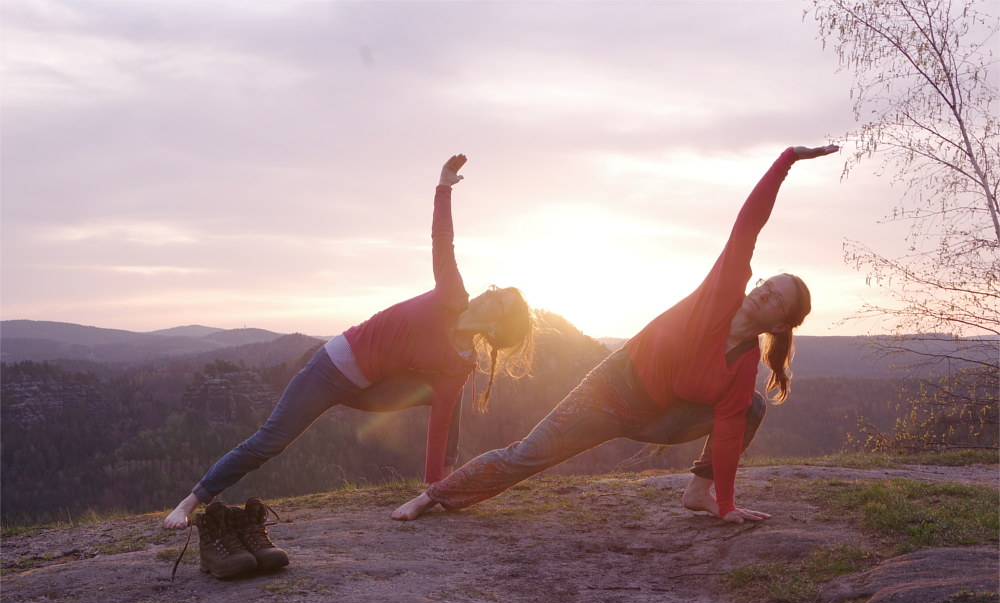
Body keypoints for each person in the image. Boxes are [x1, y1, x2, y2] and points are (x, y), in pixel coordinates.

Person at [393, 144, 839, 525]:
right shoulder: (721, 294)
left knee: (751, 409)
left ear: (781, 324)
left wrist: (725, 505)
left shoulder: (741, 369)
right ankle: (434, 496)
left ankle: (696, 495)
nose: (763, 294)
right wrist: (785, 163)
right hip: (609, 392)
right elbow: (748, 226)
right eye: (766, 285)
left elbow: (725, 436)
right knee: (527, 455)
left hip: (657, 417)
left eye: (776, 299)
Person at [164, 155, 535, 529]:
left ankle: (441, 486)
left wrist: (428, 497)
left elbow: (440, 424)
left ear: (496, 327)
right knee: (268, 443)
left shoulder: (462, 359)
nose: (490, 294)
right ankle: (188, 503)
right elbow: (443, 238)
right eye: (495, 290)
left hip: (372, 388)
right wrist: (443, 186)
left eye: (498, 302)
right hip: (330, 369)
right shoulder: (452, 293)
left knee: (447, 395)